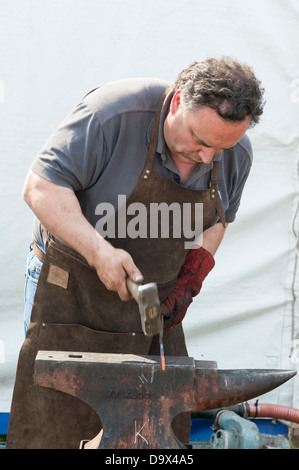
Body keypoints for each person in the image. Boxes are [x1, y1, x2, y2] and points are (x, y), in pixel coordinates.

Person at [7, 56, 265, 449]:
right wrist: (99, 252)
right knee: (55, 418)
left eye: (221, 148)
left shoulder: (235, 153)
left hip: (152, 302)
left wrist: (193, 273)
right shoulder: (113, 116)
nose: (208, 157)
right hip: (72, 291)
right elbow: (40, 188)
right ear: (178, 102)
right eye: (200, 140)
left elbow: (217, 219)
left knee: (149, 427)